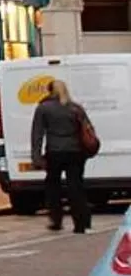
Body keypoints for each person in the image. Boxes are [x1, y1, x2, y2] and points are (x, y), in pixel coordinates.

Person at [30, 77, 98, 233]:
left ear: (50, 91)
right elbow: (87, 129)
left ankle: (56, 219)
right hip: (75, 152)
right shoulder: (75, 108)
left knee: (53, 187)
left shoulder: (43, 108)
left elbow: (37, 133)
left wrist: (36, 156)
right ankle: (81, 223)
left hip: (55, 152)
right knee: (76, 187)